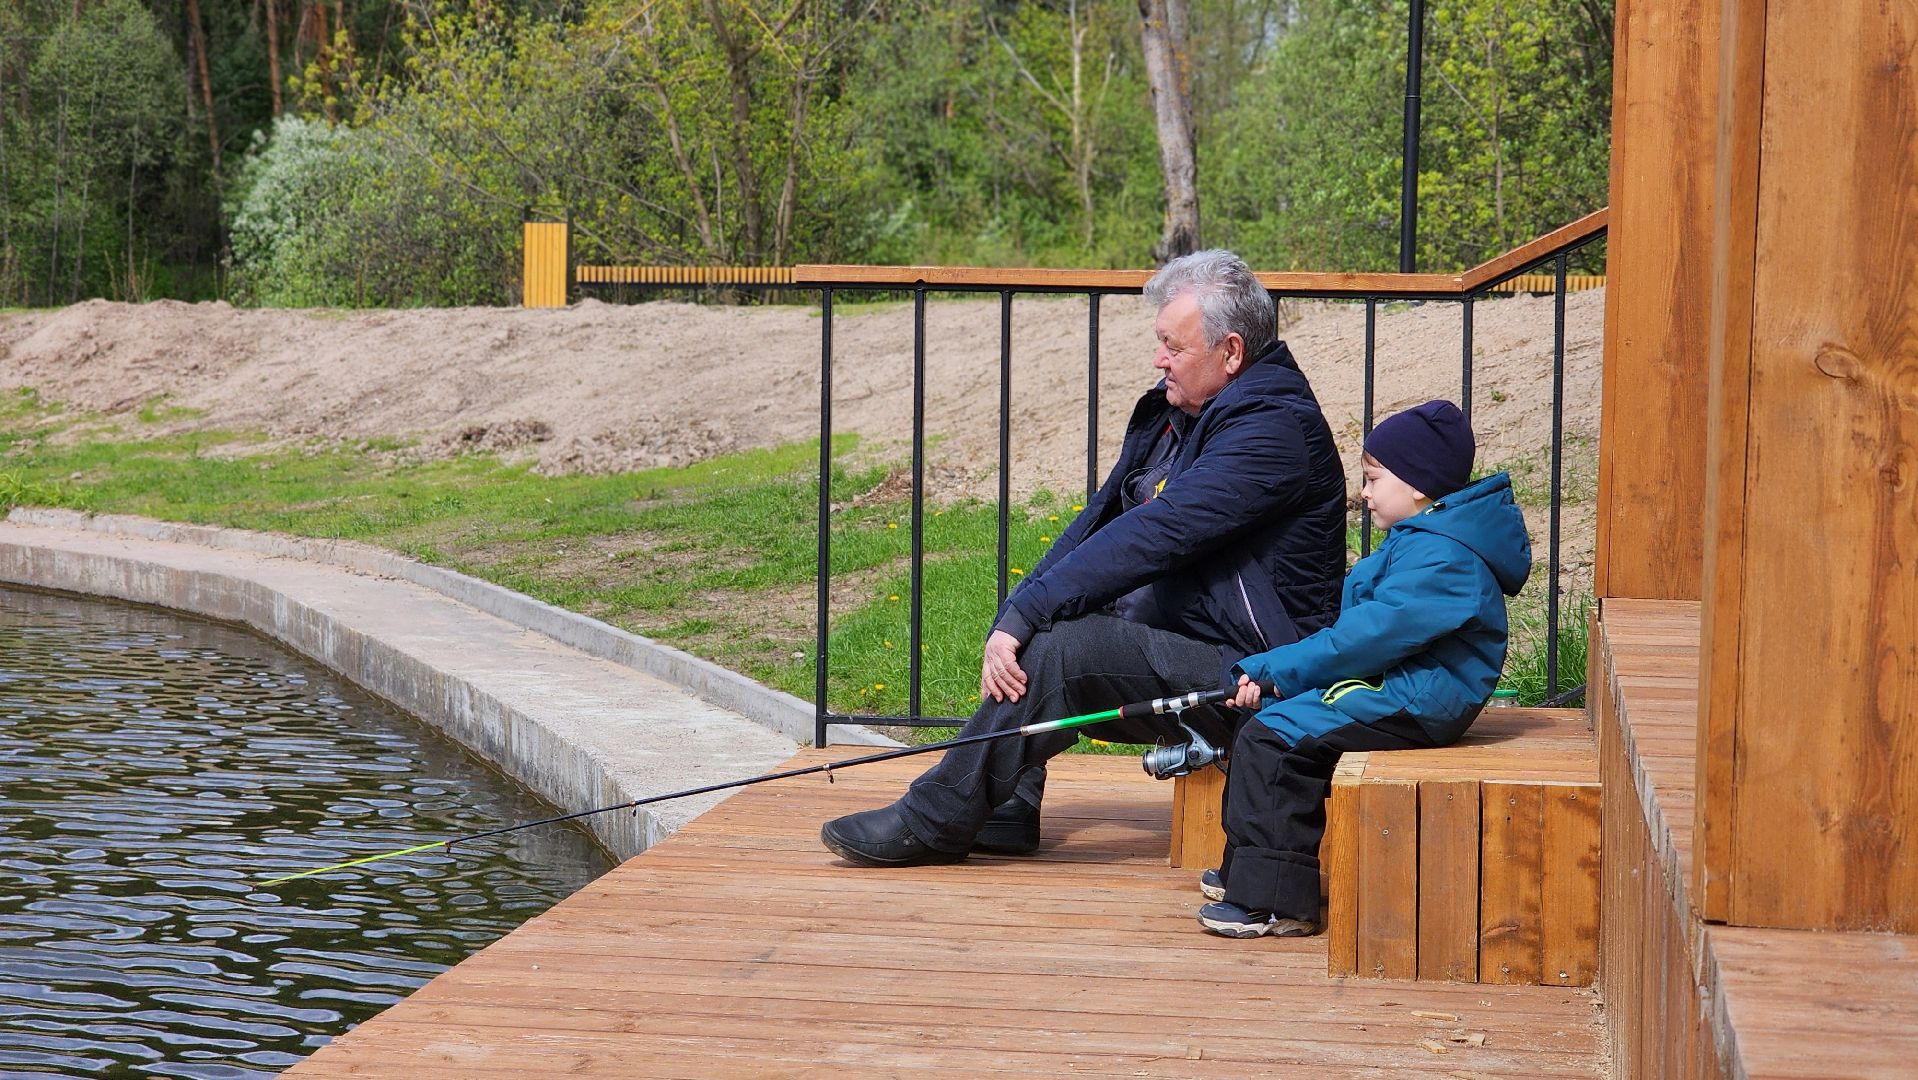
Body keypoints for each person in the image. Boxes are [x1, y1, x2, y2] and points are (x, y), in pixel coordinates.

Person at [820, 249, 1349, 867]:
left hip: (1263, 679)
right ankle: (1009, 803)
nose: (1158, 360)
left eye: (1173, 348)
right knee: (1042, 626)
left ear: (1231, 353)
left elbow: (1159, 532)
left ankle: (935, 818)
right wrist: (1018, 613)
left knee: (1069, 653)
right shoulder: (1186, 410)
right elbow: (1102, 520)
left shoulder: (1273, 432)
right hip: (1203, 642)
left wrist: (1031, 615)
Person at [1196, 399, 1530, 938]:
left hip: (1419, 698)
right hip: (1402, 684)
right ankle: (1252, 869)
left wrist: (1275, 668)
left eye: (1374, 479)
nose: (1365, 492)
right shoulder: (1431, 542)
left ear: (1418, 486)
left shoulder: (1445, 558)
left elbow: (1366, 639)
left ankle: (1272, 901)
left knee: (1276, 740)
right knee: (1269, 722)